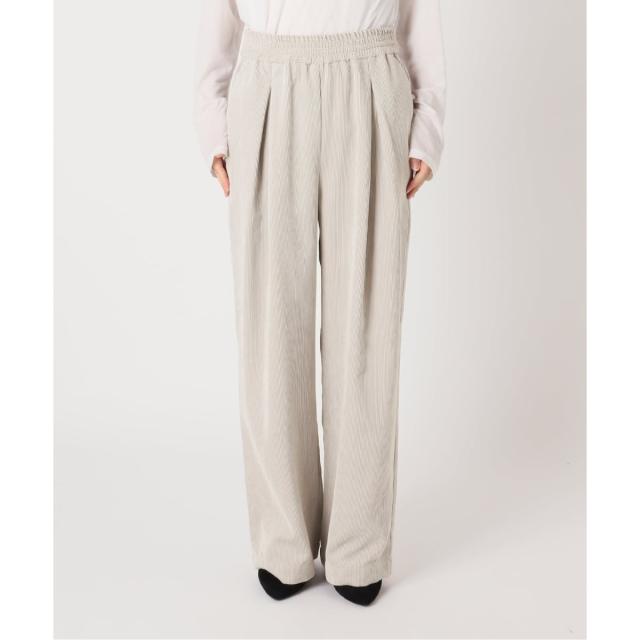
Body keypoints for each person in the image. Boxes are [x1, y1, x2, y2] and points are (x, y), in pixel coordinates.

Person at [194, 0, 445, 606]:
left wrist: (427, 127)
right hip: (267, 84)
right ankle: (283, 539)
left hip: (370, 78)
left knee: (368, 321)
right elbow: (217, 18)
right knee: (271, 323)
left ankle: (359, 545)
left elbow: (420, 13)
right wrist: (213, 123)